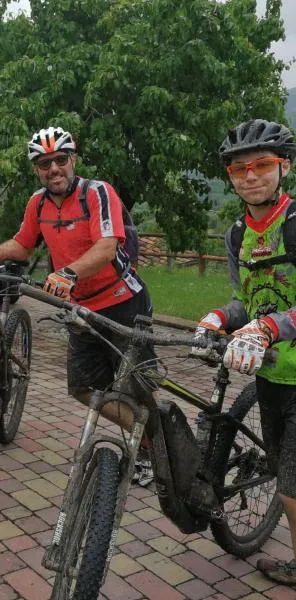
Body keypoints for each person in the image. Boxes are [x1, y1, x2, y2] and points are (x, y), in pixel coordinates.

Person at [0, 126, 155, 484]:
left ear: (72, 159)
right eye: (44, 163)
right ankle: (149, 435)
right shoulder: (37, 203)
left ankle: (152, 448)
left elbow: (107, 247)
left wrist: (68, 273)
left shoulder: (98, 193)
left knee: (138, 385)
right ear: (36, 169)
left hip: (124, 302)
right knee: (83, 388)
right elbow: (24, 244)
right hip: (81, 308)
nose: (53, 169)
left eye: (60, 159)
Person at [192, 118, 296, 586]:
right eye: (238, 170)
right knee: (278, 468)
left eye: (261, 165)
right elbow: (247, 300)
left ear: (284, 167)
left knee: (292, 487)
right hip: (271, 375)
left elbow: (269, 316)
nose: (250, 176)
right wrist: (220, 317)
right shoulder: (237, 234)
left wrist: (270, 328)